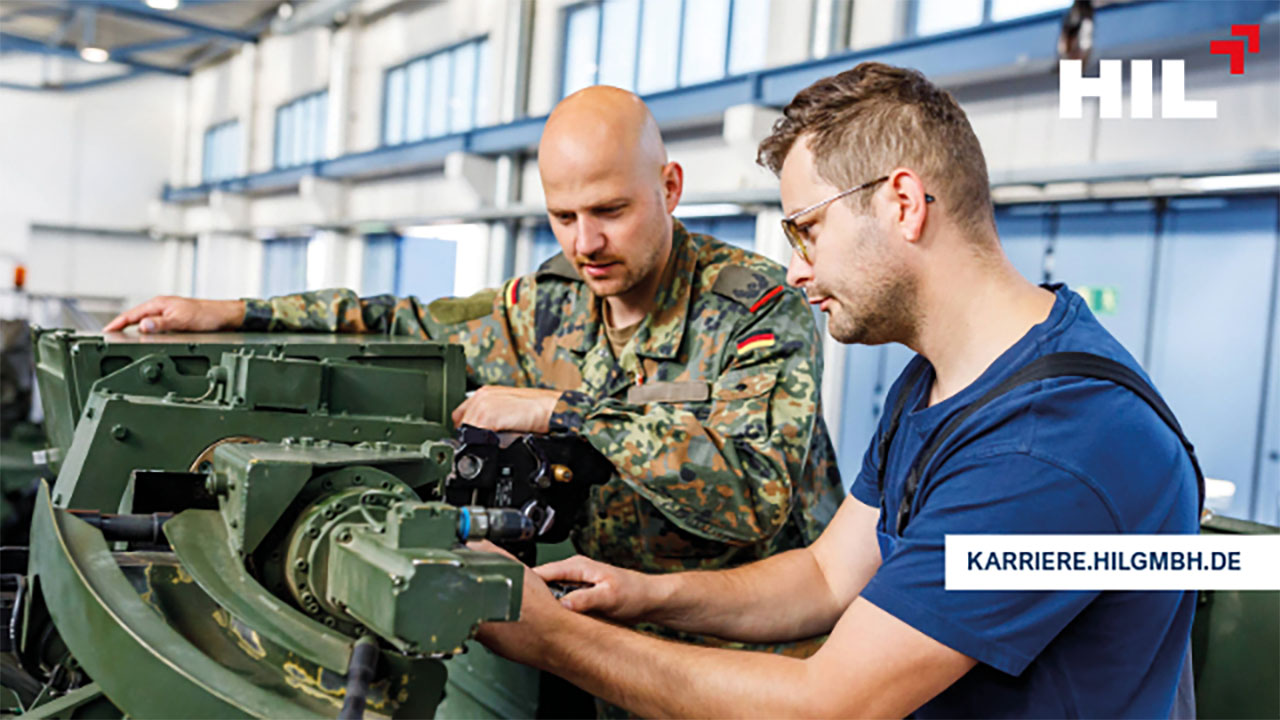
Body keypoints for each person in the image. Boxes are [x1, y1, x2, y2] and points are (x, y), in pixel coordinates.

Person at [471, 62, 1201, 718]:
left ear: (903, 203)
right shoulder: (938, 382)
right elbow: (826, 576)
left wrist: (550, 635)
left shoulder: (1051, 444)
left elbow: (832, 704)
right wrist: (642, 592)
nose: (795, 270)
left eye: (808, 230)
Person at [104, 86, 845, 650]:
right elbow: (407, 324)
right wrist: (238, 312)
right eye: (563, 216)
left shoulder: (757, 309)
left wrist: (562, 411)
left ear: (671, 187)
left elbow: (753, 491)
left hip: (758, 655)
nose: (585, 241)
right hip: (613, 642)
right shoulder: (549, 304)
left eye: (609, 210)